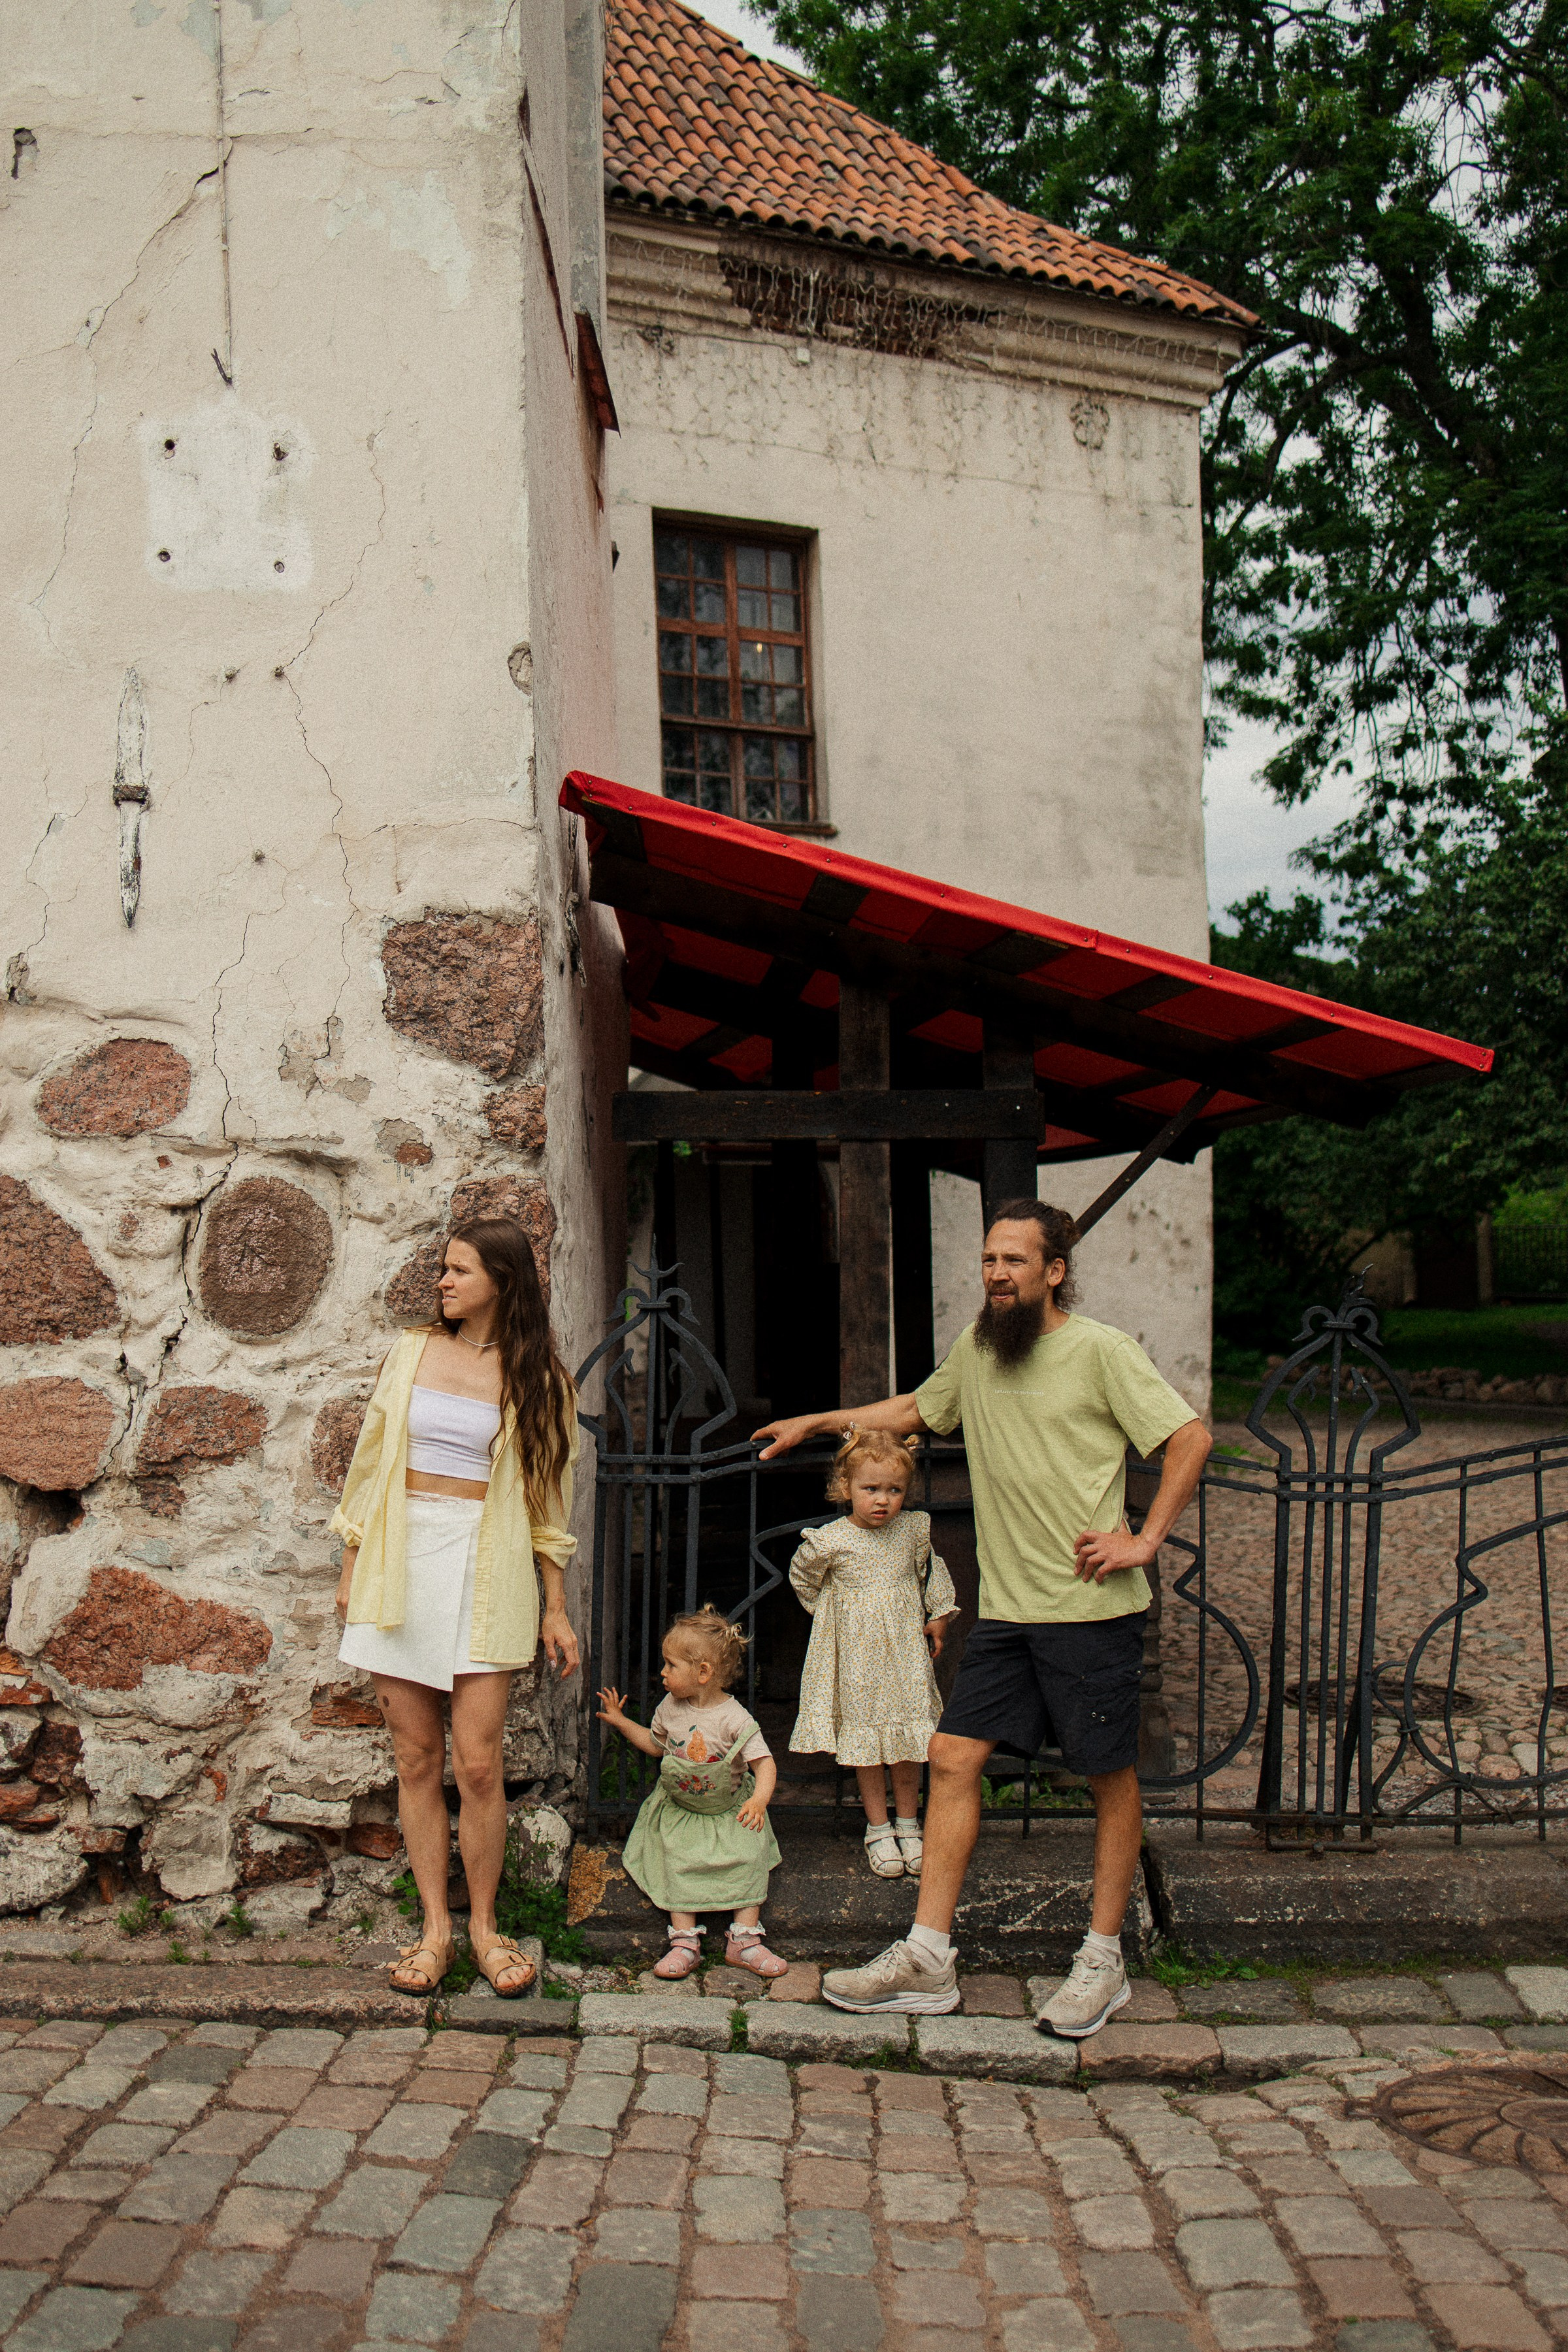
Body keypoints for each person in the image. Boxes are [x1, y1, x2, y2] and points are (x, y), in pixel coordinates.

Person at [755, 1198, 1211, 2036]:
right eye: (990, 1261)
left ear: (1055, 1271)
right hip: (1007, 1612)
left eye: (1015, 1262)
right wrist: (821, 1420)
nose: (997, 1275)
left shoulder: (1102, 1351)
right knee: (953, 1758)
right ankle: (929, 1958)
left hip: (1089, 1611)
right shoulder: (977, 1350)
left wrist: (1144, 1539)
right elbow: (918, 1412)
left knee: (1108, 1777)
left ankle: (1102, 1961)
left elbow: (1189, 1437)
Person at [333, 1217, 581, 1999]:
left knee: (478, 1765)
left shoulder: (541, 1376)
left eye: (459, 1271)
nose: (442, 1282)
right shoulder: (411, 1353)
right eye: (444, 1269)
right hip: (400, 1561)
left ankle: (485, 1928)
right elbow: (370, 1465)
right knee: (415, 1759)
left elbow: (548, 1503)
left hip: (487, 1563)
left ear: (502, 1284)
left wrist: (556, 1607)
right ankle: (435, 1930)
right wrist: (351, 1562)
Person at [789, 1428, 958, 1880]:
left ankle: (908, 1823)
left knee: (906, 1743)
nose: (883, 1500)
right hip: (857, 1655)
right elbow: (804, 1577)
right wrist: (832, 1615)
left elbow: (930, 1572)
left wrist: (938, 1614)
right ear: (846, 1488)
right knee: (866, 1743)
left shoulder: (911, 1531)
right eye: (871, 1489)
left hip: (903, 1653)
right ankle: (879, 1828)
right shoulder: (833, 1539)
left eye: (894, 1490)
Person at [596, 1605, 788, 1978]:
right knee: (675, 1858)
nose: (663, 1673)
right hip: (681, 1809)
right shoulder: (669, 1708)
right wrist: (621, 1722)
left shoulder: (735, 1718)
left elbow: (764, 1763)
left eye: (671, 1665)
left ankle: (745, 1939)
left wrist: (759, 1798)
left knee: (750, 1853)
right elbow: (656, 1746)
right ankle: (684, 1940)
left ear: (703, 1673)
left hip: (727, 1808)